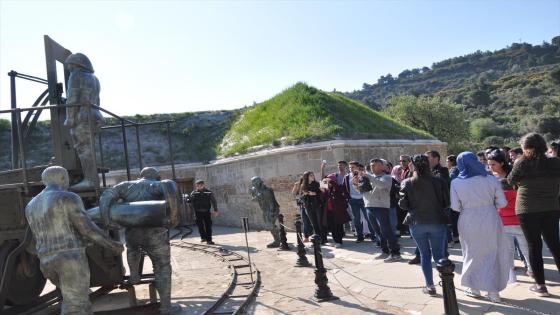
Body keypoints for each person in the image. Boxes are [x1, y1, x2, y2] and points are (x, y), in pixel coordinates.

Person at [25, 166, 124, 315]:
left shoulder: (30, 205)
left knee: (78, 300)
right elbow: (87, 229)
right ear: (63, 179)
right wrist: (112, 245)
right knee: (75, 305)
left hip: (46, 261)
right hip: (69, 257)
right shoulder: (68, 197)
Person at [99, 167, 179, 315]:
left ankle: (134, 276)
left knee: (133, 250)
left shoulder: (126, 186)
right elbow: (171, 191)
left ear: (140, 176)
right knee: (162, 267)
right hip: (155, 232)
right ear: (157, 177)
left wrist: (106, 220)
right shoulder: (155, 184)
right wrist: (173, 219)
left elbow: (106, 195)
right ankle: (166, 307)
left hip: (133, 232)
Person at [451, 152, 511, 302]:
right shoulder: (490, 179)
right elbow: (502, 203)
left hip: (468, 218)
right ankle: (493, 292)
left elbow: (455, 207)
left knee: (471, 253)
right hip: (490, 217)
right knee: (492, 253)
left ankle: (473, 287)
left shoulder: (456, 182)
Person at [507, 133, 560, 297]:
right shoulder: (555, 162)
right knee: (555, 244)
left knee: (534, 246)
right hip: (551, 206)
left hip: (527, 209)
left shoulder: (522, 162)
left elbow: (510, 180)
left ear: (527, 148)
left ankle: (541, 286)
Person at [399, 155, 450, 296]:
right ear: (428, 165)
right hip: (437, 221)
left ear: (413, 165)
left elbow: (403, 205)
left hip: (417, 222)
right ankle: (447, 285)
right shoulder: (438, 181)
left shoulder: (407, 182)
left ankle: (430, 285)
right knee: (439, 254)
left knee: (424, 255)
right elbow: (446, 203)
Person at [63, 53, 106, 191]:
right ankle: (91, 179)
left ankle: (90, 180)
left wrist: (70, 118)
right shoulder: (94, 79)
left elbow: (73, 98)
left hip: (82, 116)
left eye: (70, 66)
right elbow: (97, 100)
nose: (69, 69)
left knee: (84, 149)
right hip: (94, 114)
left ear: (75, 65)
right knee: (89, 149)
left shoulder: (76, 76)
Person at [487, 150, 533, 280]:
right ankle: (512, 272)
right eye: (489, 164)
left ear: (502, 163)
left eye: (493, 164)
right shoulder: (489, 177)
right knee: (508, 249)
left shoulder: (513, 174)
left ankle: (530, 269)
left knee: (524, 248)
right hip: (502, 219)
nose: (490, 167)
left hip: (516, 217)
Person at [362, 159, 401, 262]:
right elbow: (364, 191)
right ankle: (385, 251)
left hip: (381, 207)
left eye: (374, 165)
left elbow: (381, 185)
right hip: (369, 206)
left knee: (386, 231)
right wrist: (356, 184)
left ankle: (395, 253)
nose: (372, 167)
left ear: (382, 166)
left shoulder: (387, 177)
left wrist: (368, 176)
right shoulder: (371, 177)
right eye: (371, 166)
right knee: (377, 232)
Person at [345, 161, 375, 243]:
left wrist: (359, 181)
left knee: (368, 218)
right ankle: (360, 236)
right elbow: (345, 188)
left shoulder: (363, 175)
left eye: (353, 167)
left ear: (358, 167)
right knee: (356, 219)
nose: (351, 169)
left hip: (363, 199)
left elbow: (368, 187)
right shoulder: (347, 177)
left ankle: (373, 236)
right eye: (350, 167)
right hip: (353, 200)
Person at [250, 176, 281, 248]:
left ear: (258, 183)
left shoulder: (266, 191)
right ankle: (279, 238)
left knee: (270, 225)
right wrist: (254, 194)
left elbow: (271, 203)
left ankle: (277, 241)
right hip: (265, 210)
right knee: (270, 225)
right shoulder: (255, 190)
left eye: (254, 183)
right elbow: (253, 199)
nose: (253, 184)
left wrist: (272, 213)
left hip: (272, 209)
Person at [320, 177, 351, 247]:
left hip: (337, 211)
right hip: (329, 212)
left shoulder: (336, 189)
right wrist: (323, 191)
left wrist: (330, 181)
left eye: (327, 182)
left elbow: (338, 189)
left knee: (338, 226)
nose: (327, 184)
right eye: (325, 183)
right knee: (333, 227)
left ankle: (339, 241)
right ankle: (336, 241)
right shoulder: (325, 191)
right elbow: (322, 200)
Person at [187, 180, 219, 245]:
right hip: (197, 212)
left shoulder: (208, 192)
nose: (199, 187)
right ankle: (203, 237)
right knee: (200, 226)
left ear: (204, 185)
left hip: (206, 211)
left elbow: (213, 201)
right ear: (196, 186)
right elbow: (189, 201)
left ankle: (209, 240)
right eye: (198, 186)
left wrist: (215, 210)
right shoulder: (194, 193)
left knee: (208, 226)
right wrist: (189, 199)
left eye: (201, 185)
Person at [301, 171, 324, 242]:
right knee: (314, 223)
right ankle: (317, 238)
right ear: (307, 177)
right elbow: (302, 197)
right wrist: (305, 194)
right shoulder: (303, 185)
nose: (313, 176)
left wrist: (315, 193)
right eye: (311, 175)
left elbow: (323, 192)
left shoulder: (317, 184)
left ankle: (323, 238)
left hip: (317, 205)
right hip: (308, 206)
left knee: (320, 222)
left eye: (313, 175)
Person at [292, 175, 313, 242]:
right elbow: (293, 193)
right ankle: (306, 237)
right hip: (302, 207)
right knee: (304, 222)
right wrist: (295, 186)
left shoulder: (308, 186)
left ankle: (312, 236)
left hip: (310, 206)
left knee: (311, 221)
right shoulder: (299, 187)